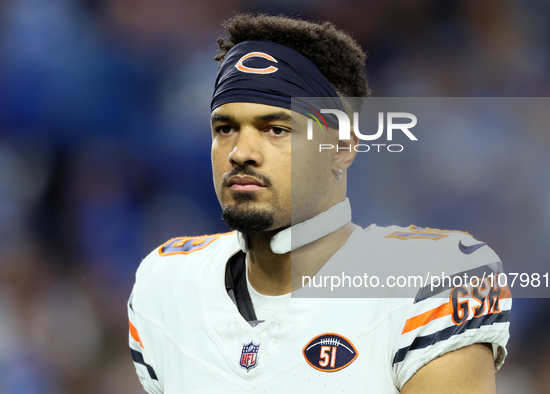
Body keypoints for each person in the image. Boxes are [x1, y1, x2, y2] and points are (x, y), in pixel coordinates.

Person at [128, 13, 511, 393]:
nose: (241, 152)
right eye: (225, 128)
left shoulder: (433, 281)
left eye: (276, 129)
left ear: (341, 148)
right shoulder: (166, 284)